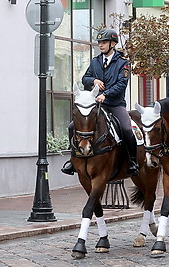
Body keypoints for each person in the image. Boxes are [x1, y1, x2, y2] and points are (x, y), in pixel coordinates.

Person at [61, 28, 139, 176]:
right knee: (72, 127)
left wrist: (106, 95)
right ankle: (73, 160)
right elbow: (85, 79)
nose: (101, 45)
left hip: (115, 104)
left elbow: (122, 84)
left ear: (112, 44)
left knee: (127, 130)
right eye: (99, 43)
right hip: (96, 105)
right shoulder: (95, 61)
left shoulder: (123, 63)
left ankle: (133, 162)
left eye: (104, 42)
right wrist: (93, 80)